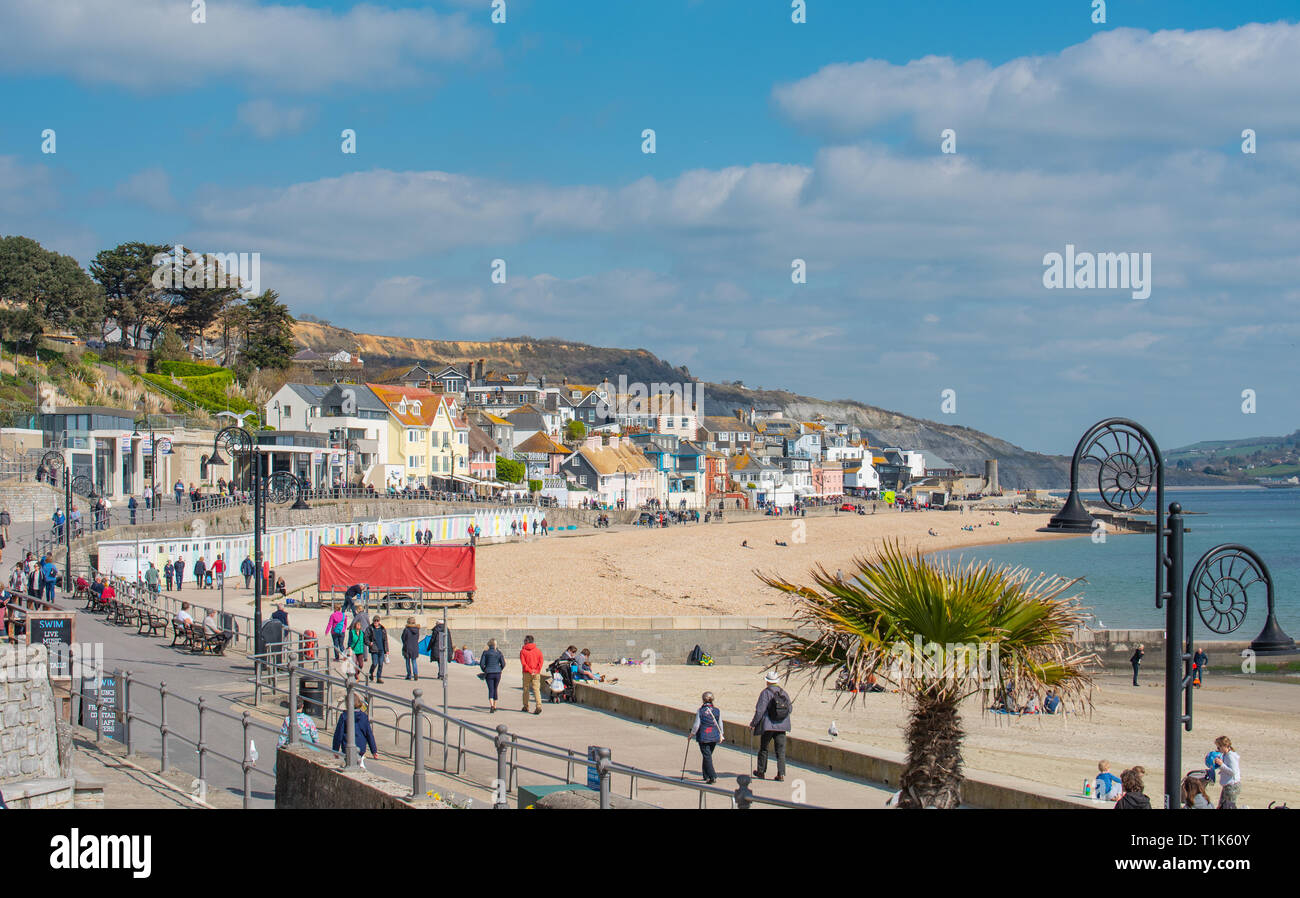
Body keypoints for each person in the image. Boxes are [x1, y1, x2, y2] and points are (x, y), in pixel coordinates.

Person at [750, 670, 792, 781]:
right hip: (782, 726)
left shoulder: (765, 693)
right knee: (781, 751)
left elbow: (760, 710)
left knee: (764, 748)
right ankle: (781, 774)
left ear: (767, 682)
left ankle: (761, 771)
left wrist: (753, 723)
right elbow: (790, 709)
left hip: (768, 726)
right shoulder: (784, 692)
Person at [331, 694, 379, 763]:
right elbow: (369, 734)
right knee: (359, 761)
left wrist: (335, 750)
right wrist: (374, 751)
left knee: (349, 762)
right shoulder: (364, 716)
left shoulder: (344, 716)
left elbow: (338, 734)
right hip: (361, 747)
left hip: (347, 747)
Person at [689, 691, 723, 784]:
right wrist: (721, 734)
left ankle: (712, 776)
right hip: (714, 736)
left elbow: (696, 725)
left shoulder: (700, 711)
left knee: (707, 756)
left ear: (703, 700)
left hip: (704, 736)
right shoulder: (717, 710)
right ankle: (706, 775)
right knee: (707, 755)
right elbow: (720, 724)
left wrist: (692, 734)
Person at [1213, 736, 1241, 808]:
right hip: (1227, 785)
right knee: (1221, 805)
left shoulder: (1230, 756)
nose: (1218, 749)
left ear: (1224, 746)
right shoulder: (1225, 755)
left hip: (1232, 786)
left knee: (1229, 806)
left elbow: (1233, 772)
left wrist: (1221, 764)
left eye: (1219, 747)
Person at [479, 638, 506, 713]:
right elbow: (503, 664)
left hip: (489, 673)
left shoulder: (485, 652)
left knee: (491, 689)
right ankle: (495, 705)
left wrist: (485, 670)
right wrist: (500, 669)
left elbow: (481, 664)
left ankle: (491, 706)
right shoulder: (499, 653)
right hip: (497, 673)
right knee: (495, 688)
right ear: (495, 645)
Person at [519, 634, 544, 715]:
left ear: (527, 641)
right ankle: (538, 706)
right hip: (536, 673)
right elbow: (541, 662)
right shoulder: (538, 651)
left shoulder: (523, 651)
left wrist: (530, 670)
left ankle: (526, 706)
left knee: (526, 690)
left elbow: (523, 663)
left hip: (527, 672)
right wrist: (536, 670)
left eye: (524, 640)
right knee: (536, 689)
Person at [365, 616, 388, 683]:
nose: (376, 622)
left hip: (381, 649)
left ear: (379, 621)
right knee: (375, 663)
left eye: (377, 621)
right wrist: (369, 643)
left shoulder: (382, 629)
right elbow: (365, 638)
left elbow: (385, 640)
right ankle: (371, 673)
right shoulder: (370, 628)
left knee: (381, 664)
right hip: (374, 649)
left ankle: (379, 677)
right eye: (375, 621)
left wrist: (387, 650)